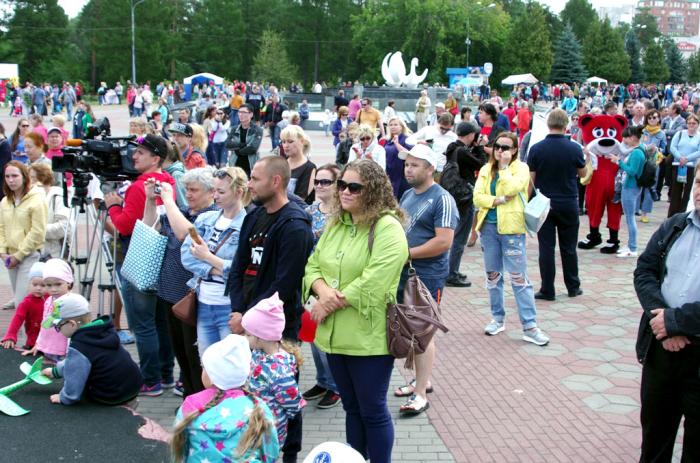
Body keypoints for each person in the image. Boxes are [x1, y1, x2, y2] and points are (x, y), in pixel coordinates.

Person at [303, 159, 409, 463]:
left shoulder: (387, 227)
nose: (344, 191)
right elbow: (313, 265)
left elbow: (374, 281)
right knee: (352, 408)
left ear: (372, 191)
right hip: (334, 336)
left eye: (354, 187)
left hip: (368, 338)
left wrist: (327, 302)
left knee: (373, 411)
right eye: (341, 185)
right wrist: (321, 292)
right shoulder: (338, 223)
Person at [226, 156, 314, 463]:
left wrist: (249, 320)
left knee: (283, 391)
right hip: (244, 320)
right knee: (250, 389)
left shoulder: (294, 225)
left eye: (255, 179)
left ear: (276, 181)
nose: (249, 184)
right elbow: (238, 266)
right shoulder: (254, 215)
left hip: (278, 328)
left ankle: (289, 453)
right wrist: (238, 311)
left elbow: (284, 283)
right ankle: (253, 445)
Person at [633, 163, 700, 462]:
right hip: (661, 351)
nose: (699, 192)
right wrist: (661, 319)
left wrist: (675, 322)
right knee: (654, 440)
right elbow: (645, 272)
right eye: (699, 183)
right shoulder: (675, 224)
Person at [104, 134, 177, 397]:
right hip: (162, 258)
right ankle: (166, 375)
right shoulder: (168, 181)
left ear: (155, 158)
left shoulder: (139, 187)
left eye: (140, 153)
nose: (133, 157)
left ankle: (151, 380)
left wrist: (112, 207)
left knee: (143, 324)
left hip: (138, 258)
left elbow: (123, 226)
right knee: (160, 322)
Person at [393, 145, 457, 416]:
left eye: (415, 165)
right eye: (407, 164)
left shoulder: (442, 199)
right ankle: (422, 380)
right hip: (405, 272)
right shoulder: (408, 193)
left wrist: (407, 253)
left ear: (431, 169)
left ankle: (421, 394)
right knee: (411, 331)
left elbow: (444, 241)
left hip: (426, 275)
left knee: (423, 332)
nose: (409, 169)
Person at [142, 168, 216, 397]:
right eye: (186, 190)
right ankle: (189, 400)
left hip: (193, 299)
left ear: (211, 193)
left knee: (194, 357)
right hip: (169, 294)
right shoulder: (180, 211)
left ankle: (198, 401)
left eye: (194, 190)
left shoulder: (212, 216)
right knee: (181, 355)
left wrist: (167, 200)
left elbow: (187, 234)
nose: (189, 195)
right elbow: (148, 226)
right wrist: (150, 200)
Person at [473, 132, 549, 346]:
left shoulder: (521, 168)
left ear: (515, 149)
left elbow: (513, 189)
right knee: (493, 276)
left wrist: (505, 168)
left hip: (512, 229)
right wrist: (496, 200)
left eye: (505, 147)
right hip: (488, 227)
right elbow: (477, 197)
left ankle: (530, 325)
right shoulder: (487, 169)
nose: (500, 151)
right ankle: (497, 318)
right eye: (497, 146)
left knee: (518, 277)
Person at [171, 334, 279, 463]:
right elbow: (270, 450)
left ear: (212, 376)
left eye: (204, 368)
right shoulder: (257, 406)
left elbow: (179, 448)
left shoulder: (191, 404)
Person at [181, 167, 249, 355]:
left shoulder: (248, 224)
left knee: (231, 365)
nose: (216, 196)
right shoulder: (205, 218)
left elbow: (242, 268)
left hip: (229, 306)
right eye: (214, 190)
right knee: (208, 364)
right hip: (203, 302)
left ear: (239, 192)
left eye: (221, 191)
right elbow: (186, 255)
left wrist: (207, 257)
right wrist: (217, 269)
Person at [41, 292, 143, 405]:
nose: (58, 331)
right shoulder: (101, 331)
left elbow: (75, 376)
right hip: (132, 387)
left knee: (84, 392)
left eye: (58, 327)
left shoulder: (80, 346)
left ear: (72, 324)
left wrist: (65, 397)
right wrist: (56, 371)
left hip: (111, 395)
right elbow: (75, 362)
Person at [527, 109, 587, 301]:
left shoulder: (536, 148)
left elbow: (531, 180)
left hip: (545, 203)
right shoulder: (574, 148)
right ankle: (573, 286)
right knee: (569, 247)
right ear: (566, 125)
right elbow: (583, 174)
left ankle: (547, 289)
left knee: (546, 247)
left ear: (548, 124)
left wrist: (527, 203)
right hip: (568, 201)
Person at [301, 165, 342, 409]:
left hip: (331, 282)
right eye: (317, 181)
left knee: (328, 336)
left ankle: (336, 386)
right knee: (313, 335)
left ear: (337, 185)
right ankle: (323, 381)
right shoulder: (308, 211)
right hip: (309, 281)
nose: (319, 185)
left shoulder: (342, 215)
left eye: (326, 182)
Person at [242, 293, 304, 447]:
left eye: (248, 334)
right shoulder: (259, 352)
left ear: (261, 336)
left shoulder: (279, 372)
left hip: (268, 427)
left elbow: (292, 402)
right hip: (255, 421)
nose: (245, 337)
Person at [443, 122, 486, 287]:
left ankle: (452, 269)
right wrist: (480, 147)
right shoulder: (461, 151)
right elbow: (481, 165)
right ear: (470, 135)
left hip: (455, 196)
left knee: (456, 234)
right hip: (464, 197)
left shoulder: (453, 148)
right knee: (460, 237)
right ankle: (451, 274)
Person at [0, 161, 47, 309]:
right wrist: (2, 252)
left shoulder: (37, 199)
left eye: (15, 176)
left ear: (24, 177)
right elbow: (1, 227)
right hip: (9, 257)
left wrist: (18, 255)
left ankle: (28, 333)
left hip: (29, 255)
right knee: (20, 301)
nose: (11, 180)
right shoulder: (5, 201)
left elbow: (38, 231)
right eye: (7, 176)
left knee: (22, 302)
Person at [24, 258, 73, 364]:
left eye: (58, 284)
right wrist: (38, 344)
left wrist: (69, 354)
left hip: (64, 354)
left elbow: (74, 330)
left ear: (69, 282)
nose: (53, 289)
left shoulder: (71, 302)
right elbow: (44, 325)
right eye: (49, 285)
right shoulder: (49, 300)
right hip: (48, 351)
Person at [609, 126, 646, 258]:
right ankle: (631, 245)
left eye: (626, 137)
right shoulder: (639, 149)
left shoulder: (636, 152)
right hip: (632, 186)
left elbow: (632, 171)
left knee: (630, 218)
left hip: (631, 186)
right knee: (629, 217)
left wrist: (618, 162)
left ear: (633, 137)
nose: (624, 140)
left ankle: (633, 247)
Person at [1, 261, 45, 349]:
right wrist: (10, 335)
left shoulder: (51, 299)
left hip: (51, 344)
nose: (38, 288)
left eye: (43, 285)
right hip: (32, 343)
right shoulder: (27, 302)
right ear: (29, 284)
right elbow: (18, 318)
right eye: (35, 284)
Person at [28, 163, 69, 259]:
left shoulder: (58, 197)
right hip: (31, 254)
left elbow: (64, 227)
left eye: (33, 178)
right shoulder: (28, 197)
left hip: (54, 253)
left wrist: (37, 231)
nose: (30, 182)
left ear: (43, 178)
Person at [668, 114, 700, 216]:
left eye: (694, 123)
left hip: (691, 166)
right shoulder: (680, 133)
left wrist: (687, 158)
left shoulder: (699, 136)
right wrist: (680, 157)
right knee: (676, 191)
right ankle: (672, 214)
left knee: (687, 192)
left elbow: (699, 151)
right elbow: (673, 147)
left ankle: (683, 214)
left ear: (697, 124)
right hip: (678, 164)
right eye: (689, 123)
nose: (691, 125)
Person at [640, 109, 666, 223]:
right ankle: (635, 208)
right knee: (637, 185)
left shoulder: (661, 133)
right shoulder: (642, 131)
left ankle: (645, 212)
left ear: (659, 119)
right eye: (650, 118)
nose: (652, 120)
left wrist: (657, 149)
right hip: (641, 161)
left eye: (654, 117)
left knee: (650, 187)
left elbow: (664, 149)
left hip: (654, 162)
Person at [281, 125, 317, 204]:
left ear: (302, 141)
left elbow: (301, 199)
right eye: (283, 142)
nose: (286, 145)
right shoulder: (281, 164)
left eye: (290, 141)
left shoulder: (309, 167)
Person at [226, 104, 263, 177]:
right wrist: (241, 145)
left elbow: (253, 148)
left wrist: (238, 151)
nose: (241, 114)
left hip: (250, 165)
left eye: (244, 112)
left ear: (251, 114)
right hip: (235, 164)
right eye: (239, 112)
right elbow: (227, 144)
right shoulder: (234, 129)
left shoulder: (257, 130)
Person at [380, 116, 413, 199]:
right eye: (391, 125)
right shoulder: (387, 140)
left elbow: (409, 155)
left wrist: (397, 144)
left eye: (395, 124)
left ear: (401, 127)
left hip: (401, 177)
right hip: (389, 175)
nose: (393, 126)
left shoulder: (407, 139)